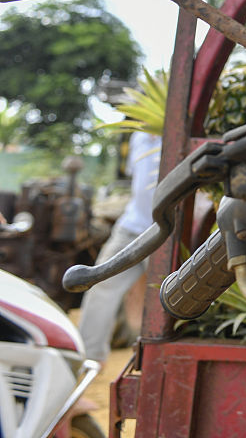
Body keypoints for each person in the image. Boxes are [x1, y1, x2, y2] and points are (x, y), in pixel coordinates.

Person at [77, 129, 160, 362]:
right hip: (132, 225)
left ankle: (157, 361)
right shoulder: (139, 137)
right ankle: (87, 359)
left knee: (167, 297)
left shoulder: (180, 133)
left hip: (167, 229)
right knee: (100, 282)